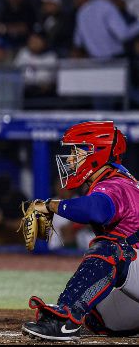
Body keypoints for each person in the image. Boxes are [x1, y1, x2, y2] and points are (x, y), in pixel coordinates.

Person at [21, 121, 139, 341]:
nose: (72, 159)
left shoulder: (115, 185)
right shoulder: (115, 178)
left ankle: (64, 319)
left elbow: (96, 211)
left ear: (98, 154)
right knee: (99, 319)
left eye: (78, 151)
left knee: (111, 249)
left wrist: (50, 205)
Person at [74, 0, 139, 58]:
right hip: (115, 60)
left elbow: (78, 42)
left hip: (94, 61)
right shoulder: (107, 7)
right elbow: (123, 35)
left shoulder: (82, 10)